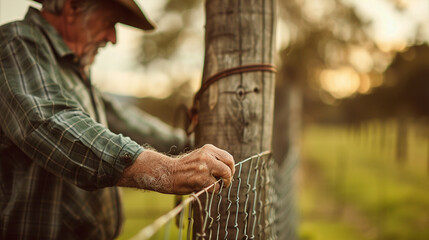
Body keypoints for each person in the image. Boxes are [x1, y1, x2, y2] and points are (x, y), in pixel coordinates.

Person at [0, 0, 235, 239]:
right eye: (109, 22)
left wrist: (188, 143)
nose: (113, 38)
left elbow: (120, 119)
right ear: (73, 7)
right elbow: (51, 121)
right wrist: (168, 170)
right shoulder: (14, 44)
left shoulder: (72, 70)